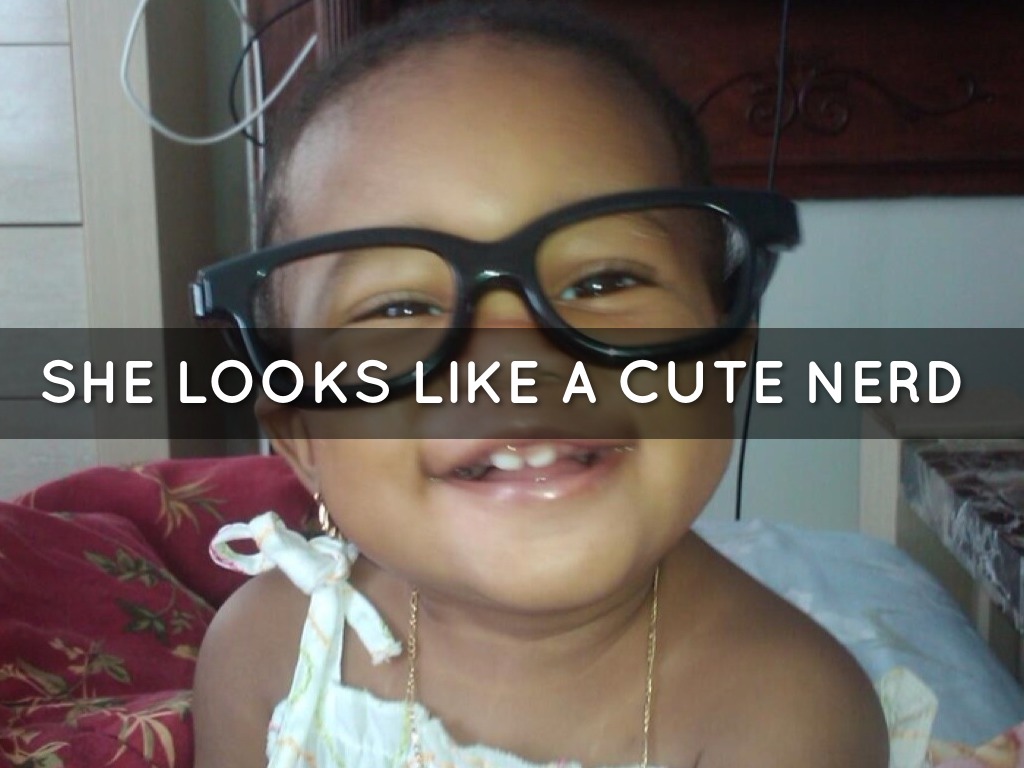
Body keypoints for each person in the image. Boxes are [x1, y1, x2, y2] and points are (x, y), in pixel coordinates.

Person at [191, 2, 889, 766]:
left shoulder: (789, 717)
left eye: (603, 281)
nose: (514, 360)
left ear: (725, 360)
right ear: (300, 435)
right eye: (397, 308)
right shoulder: (266, 655)